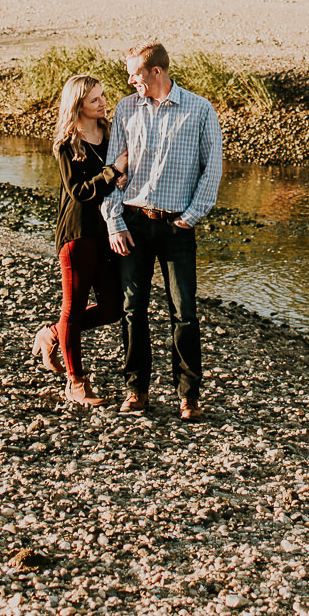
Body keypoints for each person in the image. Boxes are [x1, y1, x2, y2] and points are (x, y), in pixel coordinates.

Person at [103, 42, 221, 421]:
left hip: (176, 226)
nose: (129, 79)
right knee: (132, 309)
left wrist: (191, 216)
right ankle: (136, 390)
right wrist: (114, 222)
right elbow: (112, 172)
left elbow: (212, 168)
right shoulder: (125, 109)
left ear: (156, 72)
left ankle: (188, 395)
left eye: (135, 73)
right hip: (133, 223)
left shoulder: (200, 110)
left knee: (184, 312)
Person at [31, 74, 126, 406]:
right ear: (78, 107)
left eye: (102, 96)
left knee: (114, 307)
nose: (103, 103)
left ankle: (52, 334)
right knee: (72, 309)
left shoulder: (111, 133)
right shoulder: (67, 145)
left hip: (107, 232)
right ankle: (75, 383)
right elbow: (80, 192)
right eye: (94, 100)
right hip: (77, 234)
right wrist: (113, 171)